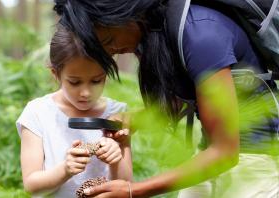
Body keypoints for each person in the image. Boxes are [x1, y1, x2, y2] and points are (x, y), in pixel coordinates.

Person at [53, 0, 279, 197]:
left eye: (110, 39)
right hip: (210, 150)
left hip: (255, 158)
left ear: (124, 13)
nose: (112, 51)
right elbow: (183, 98)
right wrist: (134, 119)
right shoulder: (155, 33)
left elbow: (225, 152)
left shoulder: (200, 35)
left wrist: (134, 191)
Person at [15, 24, 132, 197]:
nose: (85, 93)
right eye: (75, 82)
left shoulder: (116, 113)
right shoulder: (37, 113)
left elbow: (127, 187)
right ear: (56, 74)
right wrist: (65, 169)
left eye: (96, 81)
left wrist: (116, 158)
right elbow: (31, 185)